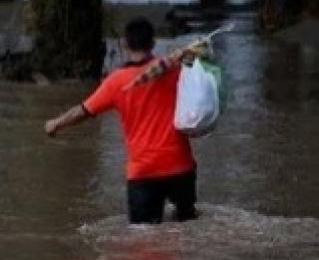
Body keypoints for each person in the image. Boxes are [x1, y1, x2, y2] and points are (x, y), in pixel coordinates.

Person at [43, 17, 204, 224]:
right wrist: (191, 53)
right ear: (153, 43)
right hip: (180, 166)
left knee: (142, 236)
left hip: (143, 172)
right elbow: (201, 76)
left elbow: (84, 111)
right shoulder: (173, 69)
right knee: (187, 229)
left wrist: (56, 123)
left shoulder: (117, 82)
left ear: (124, 44)